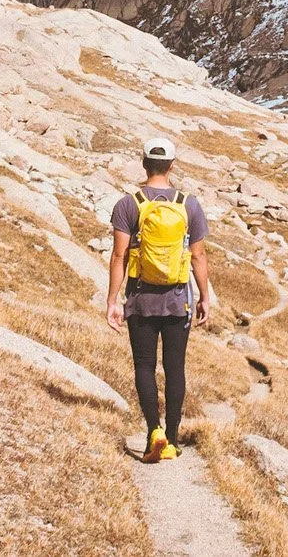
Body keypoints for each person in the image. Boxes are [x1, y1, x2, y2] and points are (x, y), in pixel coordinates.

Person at [106, 137, 211, 463]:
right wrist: (205, 297)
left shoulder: (129, 204)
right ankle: (174, 440)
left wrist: (112, 300)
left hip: (140, 300)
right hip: (178, 300)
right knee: (175, 367)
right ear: (172, 165)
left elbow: (119, 255)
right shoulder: (188, 204)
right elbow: (198, 255)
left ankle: (154, 430)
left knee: (144, 365)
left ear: (143, 162)